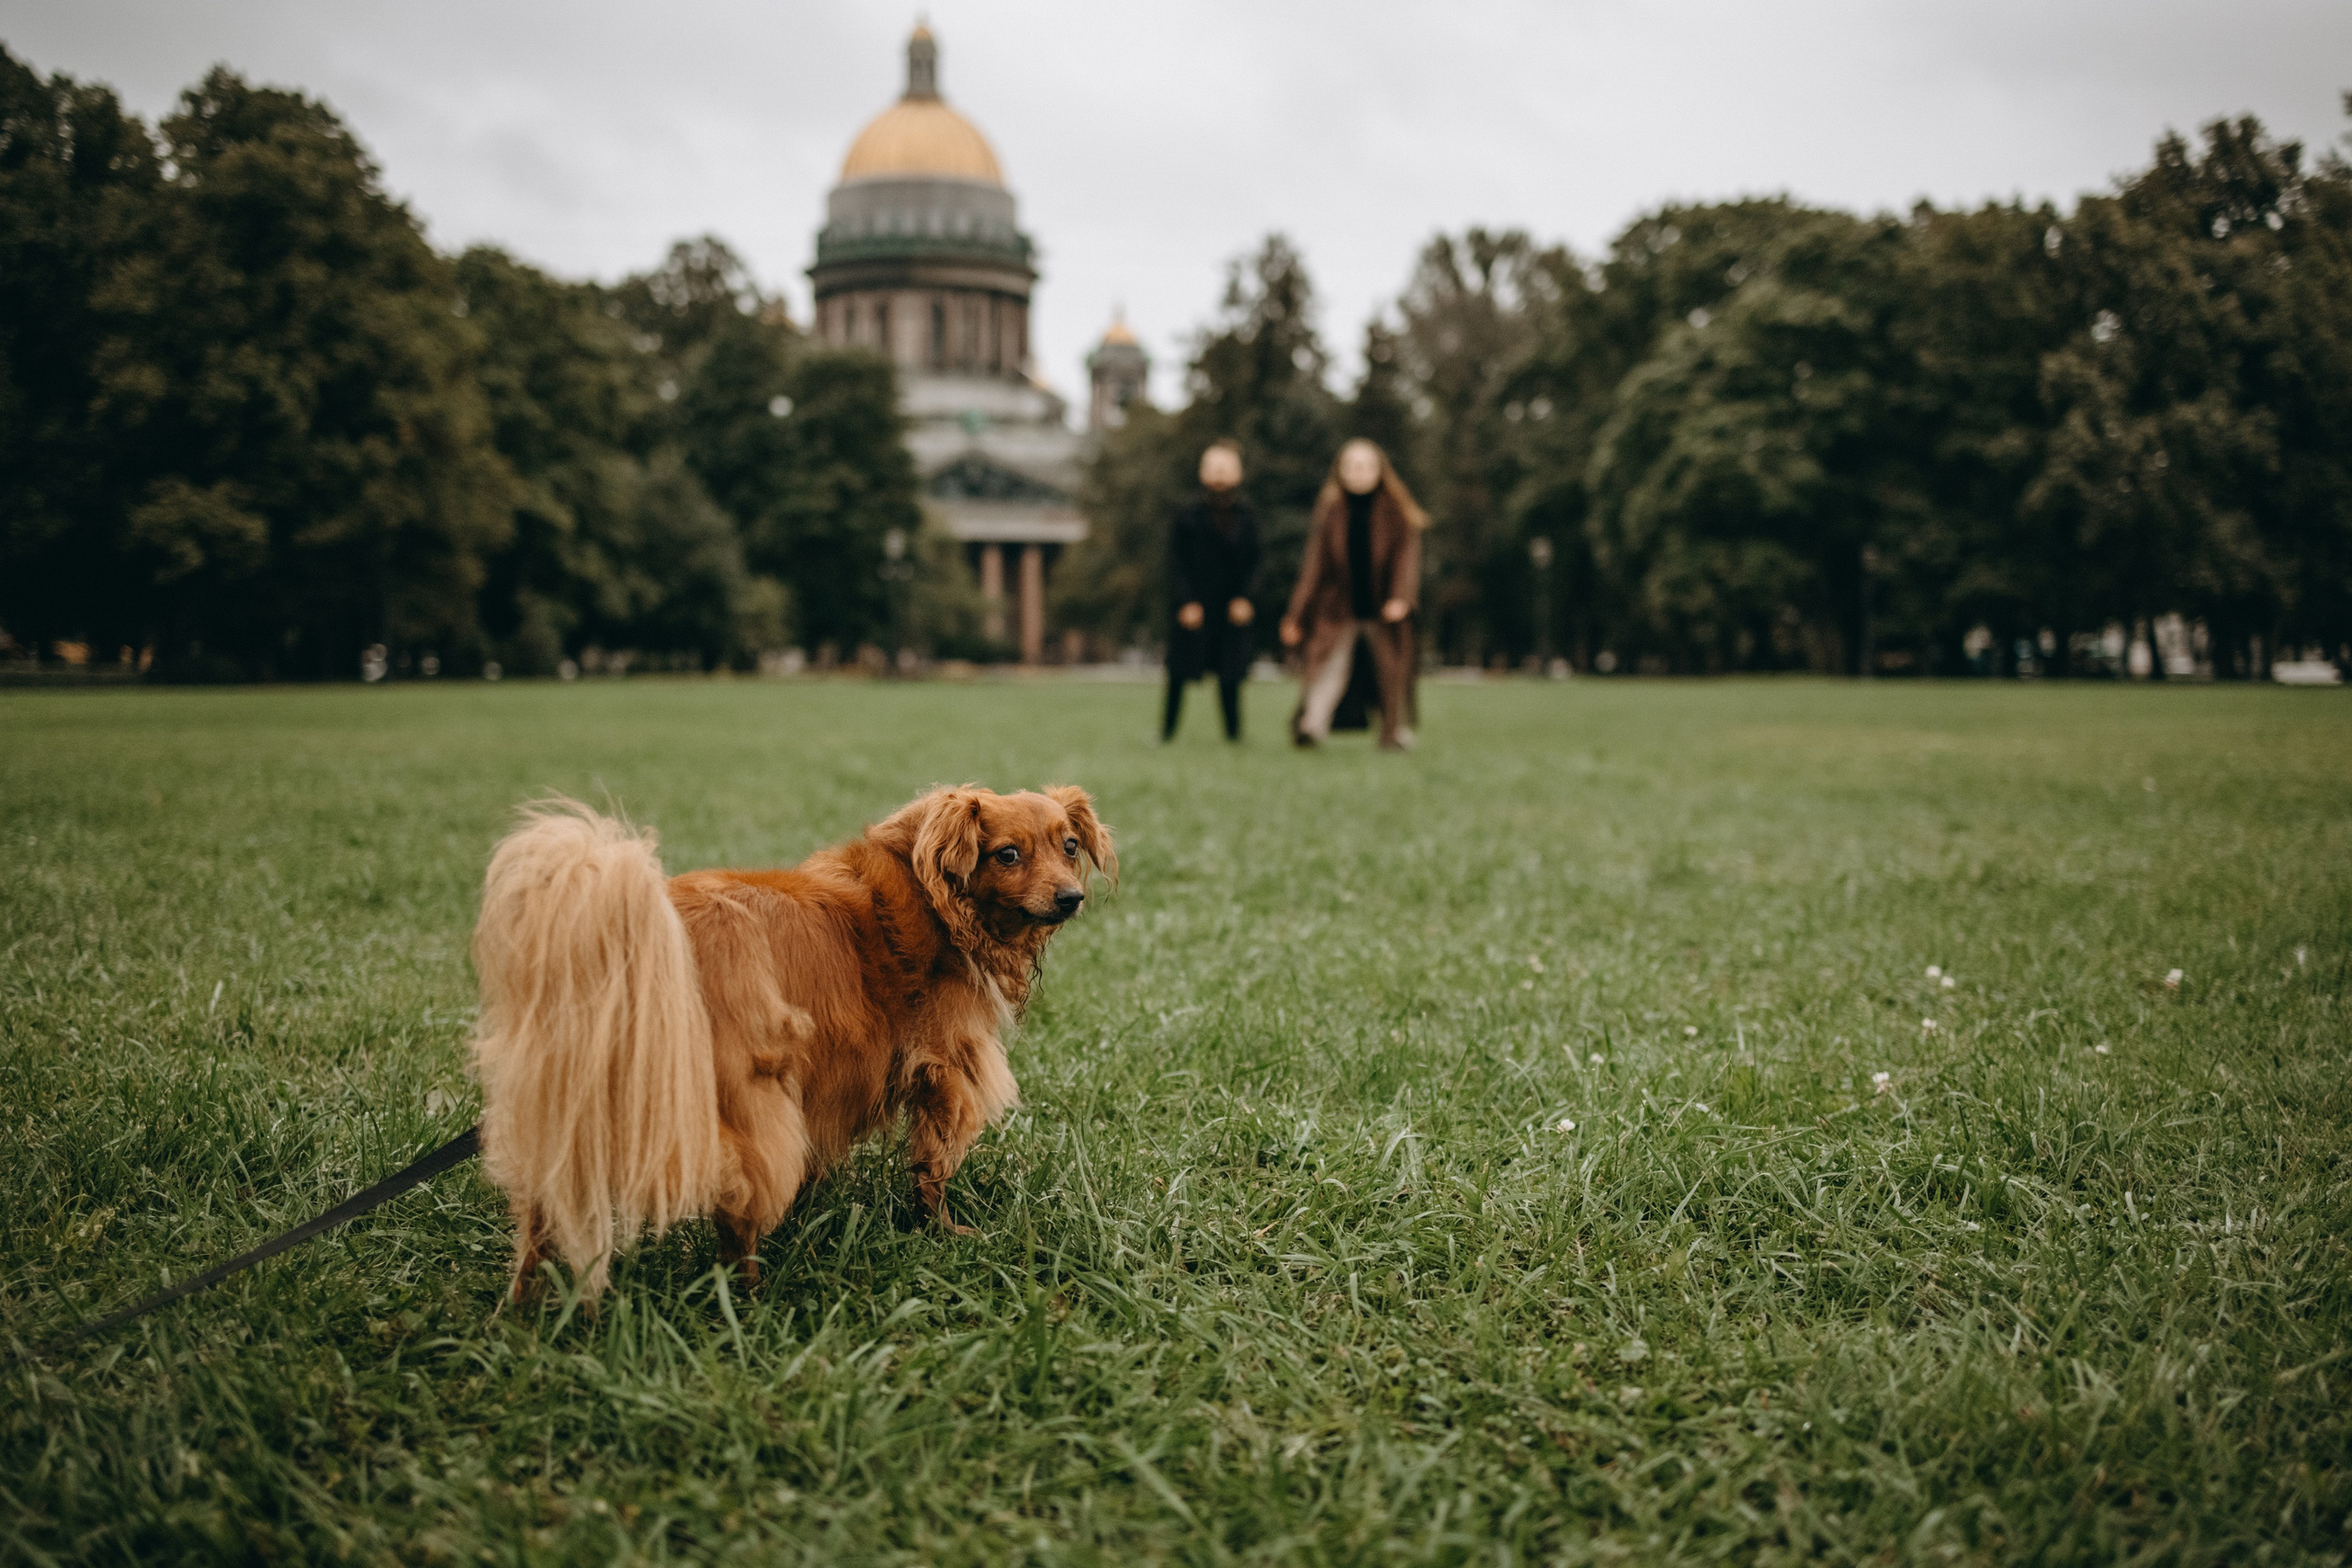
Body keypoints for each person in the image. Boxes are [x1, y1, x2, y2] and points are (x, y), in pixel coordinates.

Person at [1280, 438, 1426, 750]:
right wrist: (1296, 615)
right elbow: (1314, 568)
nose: (1359, 472)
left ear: (1379, 471)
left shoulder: (1396, 512)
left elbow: (1407, 561)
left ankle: (1393, 732)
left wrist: (1402, 598)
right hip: (1338, 609)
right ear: (1341, 472)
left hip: (1384, 608)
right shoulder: (1331, 511)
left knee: (1389, 673)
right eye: (1352, 466)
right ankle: (1311, 726)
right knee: (1327, 668)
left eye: (1366, 466)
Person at [1163, 440, 1261, 742]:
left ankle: (1234, 734)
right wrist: (1186, 601)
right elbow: (1175, 563)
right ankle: (1167, 732)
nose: (1219, 473)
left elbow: (1257, 563)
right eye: (1213, 466)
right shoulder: (1187, 516)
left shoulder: (1247, 517)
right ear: (1202, 472)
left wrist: (1247, 598)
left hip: (1231, 607)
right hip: (1195, 604)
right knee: (1178, 673)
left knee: (1230, 675)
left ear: (1238, 473)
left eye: (1226, 466)